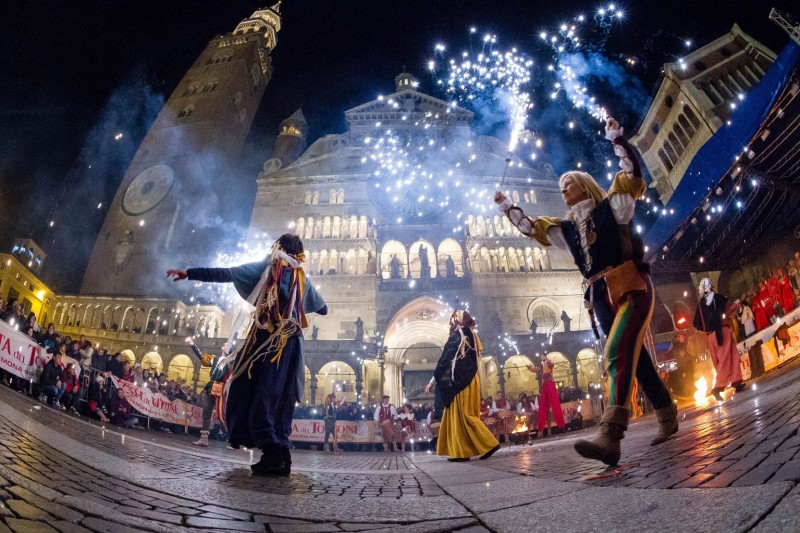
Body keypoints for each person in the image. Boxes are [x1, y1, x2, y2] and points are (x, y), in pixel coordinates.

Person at [495, 117, 678, 466]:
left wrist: (616, 137)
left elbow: (632, 173)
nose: (563, 189)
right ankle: (669, 417)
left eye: (569, 183)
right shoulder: (565, 229)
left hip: (630, 287)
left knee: (615, 355)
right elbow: (531, 227)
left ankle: (611, 435)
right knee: (635, 362)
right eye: (561, 186)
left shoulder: (614, 207)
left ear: (584, 185)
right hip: (599, 297)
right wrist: (506, 206)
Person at [167, 233, 327, 476]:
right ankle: (282, 455)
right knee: (281, 399)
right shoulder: (301, 278)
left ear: (278, 248)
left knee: (256, 392)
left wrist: (189, 273)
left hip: (268, 343)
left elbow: (226, 273)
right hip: (293, 345)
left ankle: (272, 455)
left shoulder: (268, 268)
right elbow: (323, 308)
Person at [430, 310, 499, 461]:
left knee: (464, 415)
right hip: (472, 379)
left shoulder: (458, 334)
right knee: (460, 415)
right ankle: (463, 451)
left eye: (453, 320)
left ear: (457, 320)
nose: (451, 323)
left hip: (462, 381)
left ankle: (490, 444)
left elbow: (446, 359)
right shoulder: (472, 334)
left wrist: (433, 380)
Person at [693, 278, 746, 401]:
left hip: (710, 336)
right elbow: (725, 312)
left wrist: (707, 327)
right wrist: (736, 305)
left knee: (729, 356)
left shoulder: (701, 304)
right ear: (710, 286)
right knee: (726, 358)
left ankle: (736, 382)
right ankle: (718, 387)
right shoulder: (716, 297)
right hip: (721, 331)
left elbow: (696, 323)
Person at [187, 338, 229, 446]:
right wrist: (193, 345)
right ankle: (204, 438)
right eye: (226, 345)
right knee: (206, 413)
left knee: (223, 414)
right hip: (210, 388)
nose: (228, 347)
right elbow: (201, 356)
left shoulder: (231, 361)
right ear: (222, 348)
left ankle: (232, 438)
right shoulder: (215, 359)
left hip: (222, 390)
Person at [527, 355, 565, 436]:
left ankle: (561, 425)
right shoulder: (542, 364)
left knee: (555, 402)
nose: (542, 358)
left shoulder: (548, 362)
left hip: (550, 383)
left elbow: (552, 365)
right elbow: (536, 370)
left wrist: (547, 359)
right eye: (541, 357)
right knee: (543, 405)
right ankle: (540, 429)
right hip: (545, 385)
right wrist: (530, 368)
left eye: (543, 356)